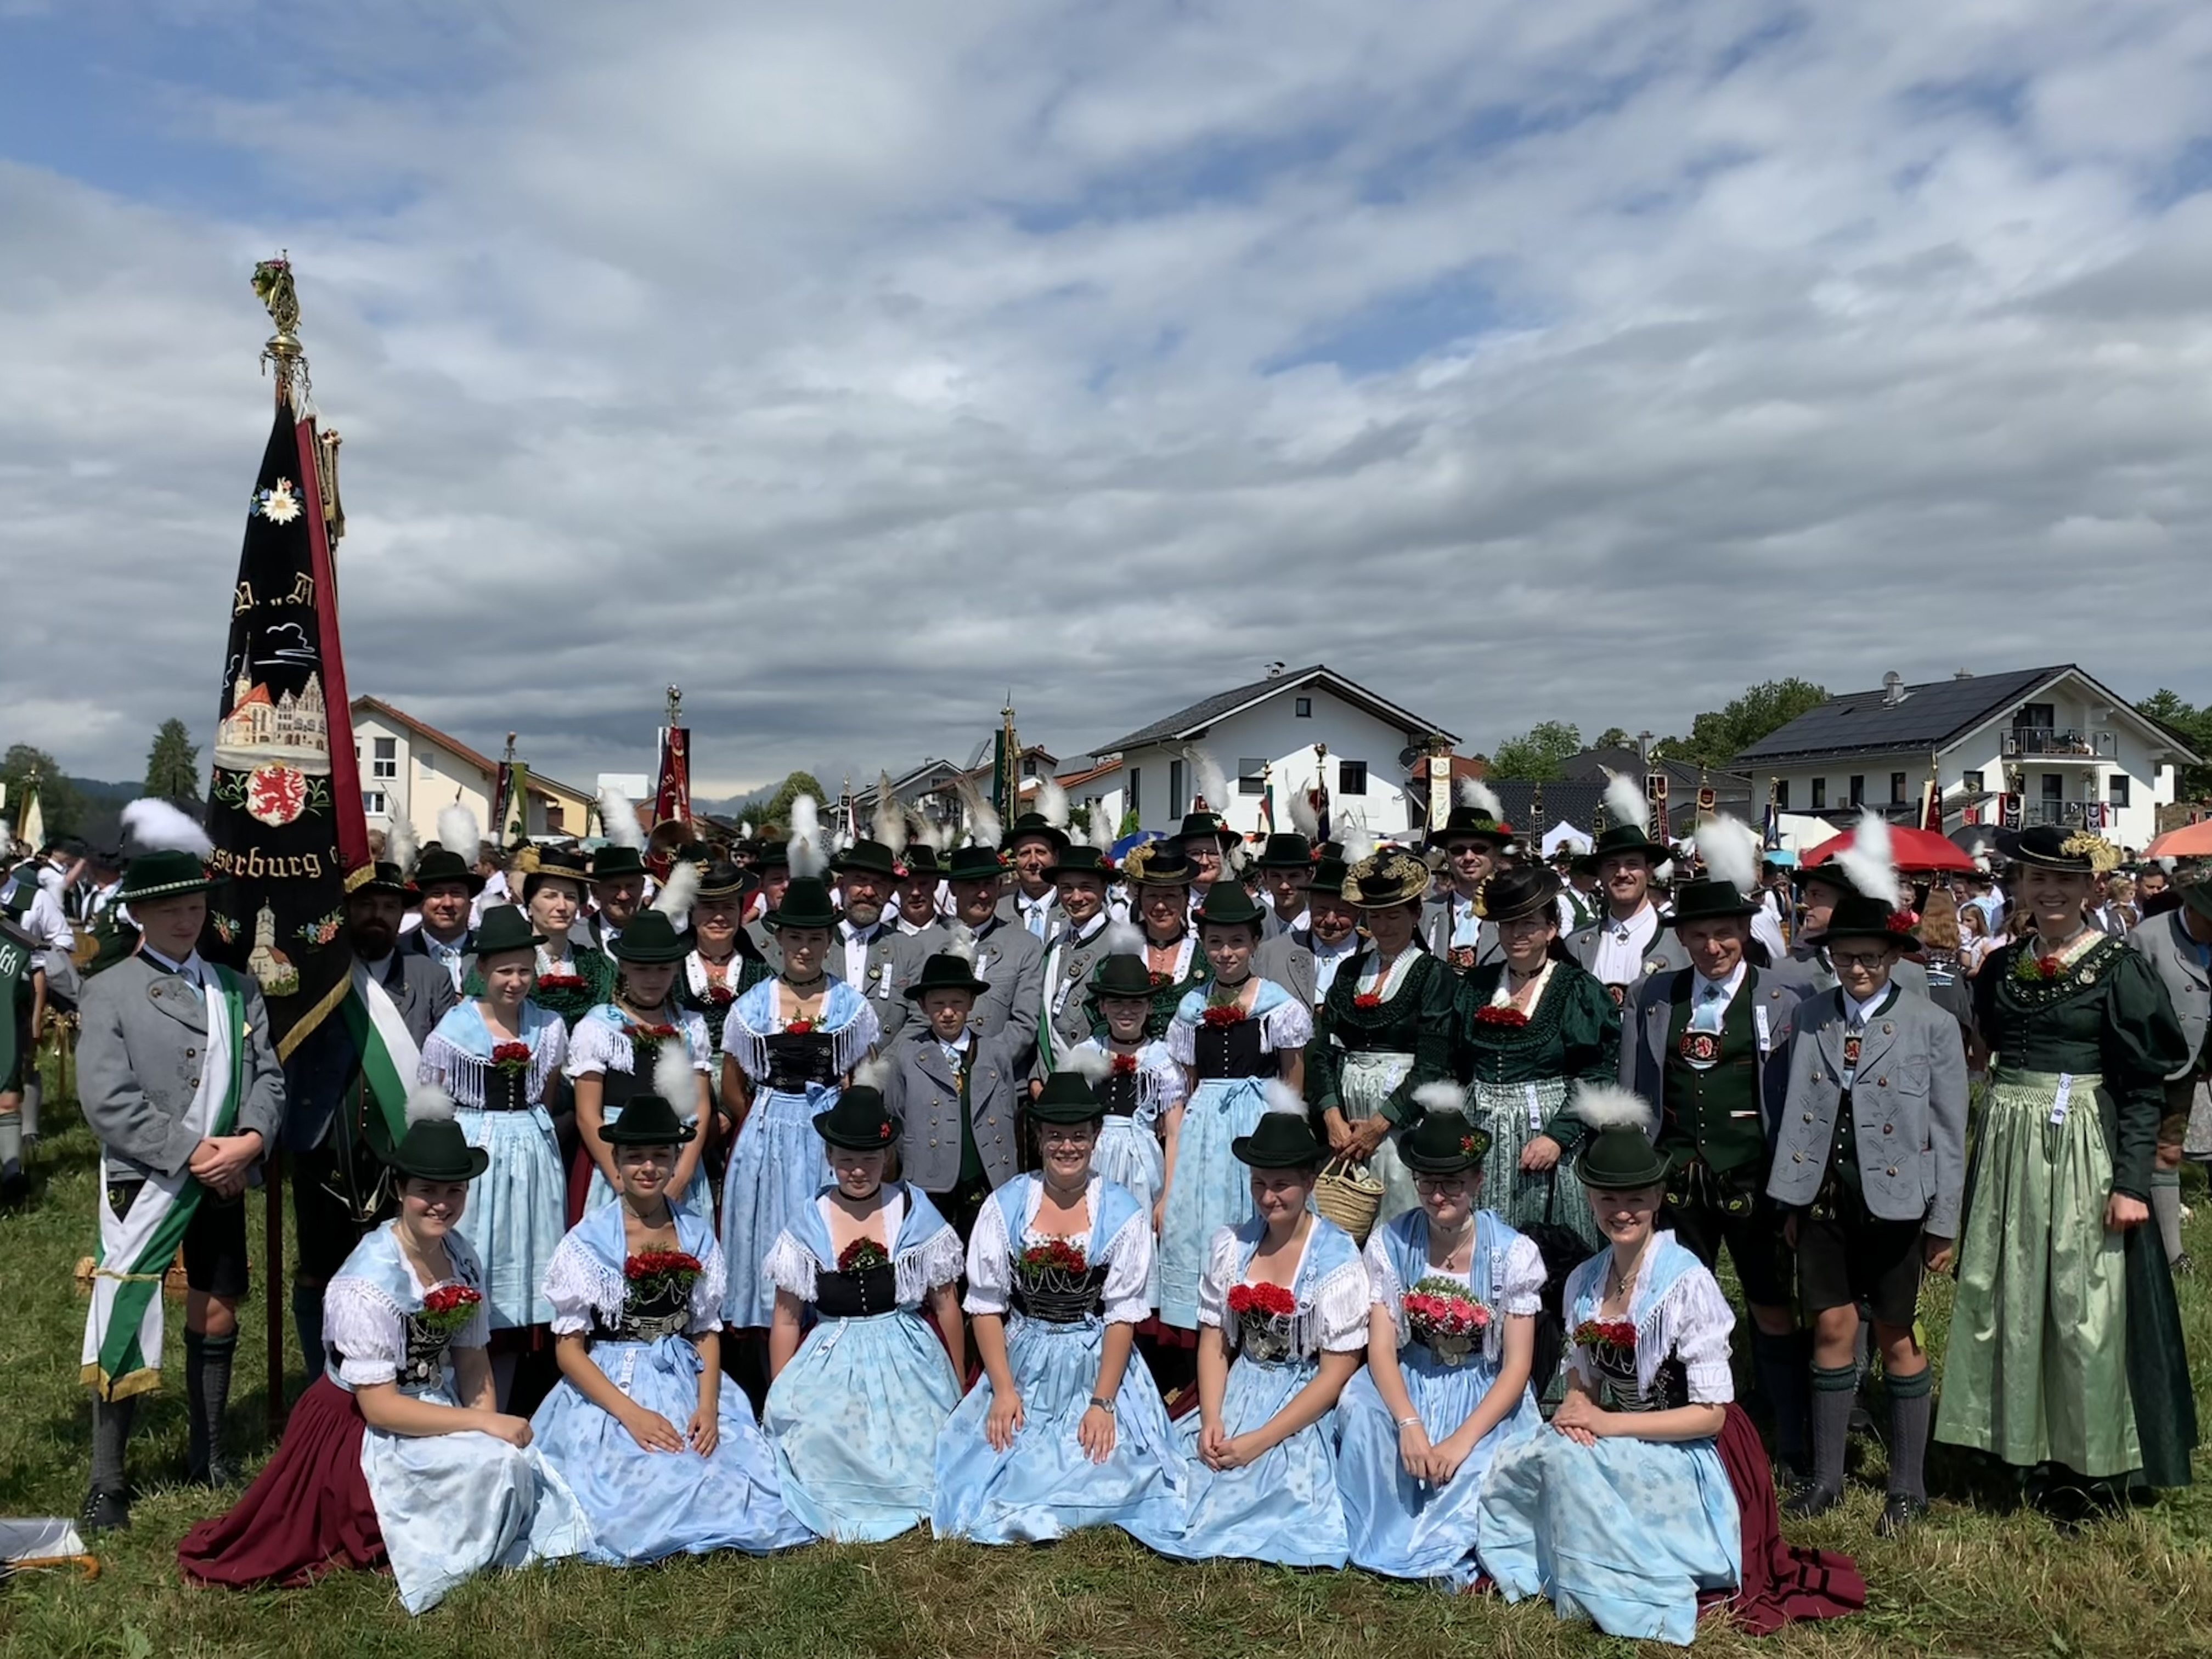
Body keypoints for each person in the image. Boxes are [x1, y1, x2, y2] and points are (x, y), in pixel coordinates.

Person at [178, 1094, 589, 1610]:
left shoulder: (461, 1255)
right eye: (426, 1191)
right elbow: (379, 1406)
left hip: (429, 1406)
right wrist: (481, 1425)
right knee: (495, 1464)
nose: (441, 1204)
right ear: (399, 1190)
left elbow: (471, 1358)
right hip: (361, 1426)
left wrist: (485, 1431)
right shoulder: (367, 1282)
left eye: (454, 1190)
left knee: (511, 1460)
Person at [1935, 825, 2197, 1516]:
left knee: (2084, 1305)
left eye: (2064, 880)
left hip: (2083, 1144)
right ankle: (2014, 1445)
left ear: (2090, 888)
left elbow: (2143, 1086)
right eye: (2036, 879)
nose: (2049, 891)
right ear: (2019, 887)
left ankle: (2090, 1465)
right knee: (2009, 1294)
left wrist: (2133, 1184)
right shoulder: (2000, 967)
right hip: (2008, 1145)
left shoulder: (2118, 966)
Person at [1475, 1086, 1746, 1645]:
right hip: (1621, 1432)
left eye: (1636, 1199)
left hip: (1688, 1450)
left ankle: (1611, 1581)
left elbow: (1711, 1416)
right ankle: (1547, 1566)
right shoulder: (1586, 1279)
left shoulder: (1687, 1283)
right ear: (1591, 1198)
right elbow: (1584, 1380)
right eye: (1607, 1199)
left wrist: (1606, 1423)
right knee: (1530, 1452)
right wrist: (1577, 1407)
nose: (1622, 1211)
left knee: (1571, 1463)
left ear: (1658, 1197)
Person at [77, 828, 285, 1528]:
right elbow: (109, 1100)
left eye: (194, 906)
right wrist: (196, 1153)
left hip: (226, 1173)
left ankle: (210, 1451)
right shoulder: (109, 991)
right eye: (169, 909)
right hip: (149, 1179)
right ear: (139, 913)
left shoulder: (236, 989)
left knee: (218, 1305)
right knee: (126, 1313)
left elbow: (268, 1079)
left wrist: (249, 1142)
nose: (185, 919)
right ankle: (108, 1480)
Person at [531, 1092, 810, 1563]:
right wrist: (630, 1414)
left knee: (727, 1472)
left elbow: (704, 1330)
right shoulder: (588, 1241)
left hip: (683, 1374)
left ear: (676, 1159)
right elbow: (569, 1350)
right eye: (635, 1156)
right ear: (616, 1161)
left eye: (660, 1155)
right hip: (615, 1384)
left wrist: (708, 1406)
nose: (648, 1167)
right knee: (644, 1480)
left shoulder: (695, 1233)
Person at [1767, 890, 1969, 1533]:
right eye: (1846, 957)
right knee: (1831, 1327)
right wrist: (1790, 1200)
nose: (1858, 969)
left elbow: (1950, 1131)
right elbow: (1796, 1114)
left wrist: (1944, 1222)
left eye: (1871, 958)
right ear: (1830, 957)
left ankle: (1907, 1486)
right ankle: (1828, 1477)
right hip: (1824, 1197)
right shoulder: (1811, 1017)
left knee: (1895, 1333)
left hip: (1898, 1202)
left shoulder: (1931, 1023)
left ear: (1893, 957)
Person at [931, 1073, 1183, 1544]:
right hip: (1023, 1358)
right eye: (1056, 1136)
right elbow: (986, 1307)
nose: (1068, 1147)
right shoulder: (1006, 1205)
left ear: (1095, 1137)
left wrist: (1103, 1403)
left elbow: (1121, 1316)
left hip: (1095, 1360)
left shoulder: (1121, 1211)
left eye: (1078, 1136)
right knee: (999, 1460)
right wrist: (1003, 1390)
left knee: (1111, 1465)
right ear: (1039, 1137)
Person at [1621, 872, 1814, 1476]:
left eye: (1724, 933)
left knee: (1770, 1303)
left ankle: (1790, 1437)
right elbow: (1634, 1087)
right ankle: (1681, 1425)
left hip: (1755, 1175)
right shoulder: (1654, 996)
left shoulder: (1786, 996)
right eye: (1699, 935)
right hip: (1678, 1177)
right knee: (1677, 1303)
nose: (1712, 947)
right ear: (1681, 939)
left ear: (1744, 932)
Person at [1124, 1096, 1367, 1567]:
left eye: (1281, 1185)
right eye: (1259, 1183)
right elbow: (1214, 1341)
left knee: (1265, 1487)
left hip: (1300, 1402)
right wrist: (1212, 1417)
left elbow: (1336, 1373)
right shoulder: (1232, 1245)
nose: (1268, 1197)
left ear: (1309, 1182)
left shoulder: (1335, 1258)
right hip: (1239, 1389)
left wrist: (1261, 1439)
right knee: (1181, 1471)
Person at [1336, 1107, 1544, 1585]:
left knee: (1485, 1460)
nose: (1437, 1195)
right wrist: (1409, 1423)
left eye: (1452, 1183)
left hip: (1482, 1385)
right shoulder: (1391, 1242)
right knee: (1360, 1408)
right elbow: (1381, 1348)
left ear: (1477, 1181)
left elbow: (1517, 1366)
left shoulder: (1512, 1253)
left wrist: (1461, 1440)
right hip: (1412, 1376)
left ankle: (1444, 1538)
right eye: (1427, 1182)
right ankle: (1379, 1525)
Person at [761, 1086, 966, 1541]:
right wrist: (780, 1393)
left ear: (886, 1156)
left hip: (906, 1356)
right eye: (847, 1159)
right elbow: (787, 1319)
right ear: (829, 1156)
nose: (858, 1170)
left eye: (870, 1158)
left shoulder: (911, 1209)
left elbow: (946, 1304)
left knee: (924, 1439)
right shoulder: (810, 1220)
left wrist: (956, 1381)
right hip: (832, 1355)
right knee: (818, 1435)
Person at [279, 857, 456, 1378]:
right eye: (366, 904)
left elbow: (446, 1060)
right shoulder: (319, 973)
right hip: (324, 1144)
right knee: (318, 1271)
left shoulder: (430, 977)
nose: (378, 915)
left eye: (389, 906)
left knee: (401, 1267)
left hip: (400, 1149)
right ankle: (323, 1382)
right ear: (345, 909)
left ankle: (393, 1373)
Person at [1413, 865, 1621, 1257]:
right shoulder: (1476, 986)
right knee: (1482, 1244)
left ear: (1551, 929)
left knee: (1549, 1250)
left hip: (1548, 1132)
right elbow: (1455, 1065)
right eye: (1508, 924)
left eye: (1529, 924)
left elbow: (1597, 1071)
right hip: (1482, 1131)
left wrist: (1557, 1138)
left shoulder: (1576, 989)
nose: (1517, 934)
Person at [417, 904, 570, 1409]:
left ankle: (518, 1395)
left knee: (531, 1254)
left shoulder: (548, 1026)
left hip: (532, 1152)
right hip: (479, 1147)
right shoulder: (455, 1030)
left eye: (524, 970)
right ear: (481, 970)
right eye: (505, 971)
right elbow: (433, 1102)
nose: (515, 981)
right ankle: (463, 1389)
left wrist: (530, 1136)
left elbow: (548, 1094)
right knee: (481, 1249)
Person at [718, 871, 882, 1335]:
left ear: (829, 941)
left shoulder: (850, 1006)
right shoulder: (753, 1007)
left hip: (826, 1133)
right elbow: (732, 1084)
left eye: (814, 938)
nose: (805, 948)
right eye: (795, 937)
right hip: (768, 1135)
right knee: (768, 1234)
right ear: (779, 938)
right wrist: (765, 1120)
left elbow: (865, 1081)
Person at [1158, 883, 1312, 1334]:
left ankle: (1264, 1308)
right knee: (1204, 1219)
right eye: (1216, 942)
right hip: (1206, 1129)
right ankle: (1210, 1319)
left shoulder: (1276, 1005)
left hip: (1259, 1120)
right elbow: (1185, 1088)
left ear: (1255, 943)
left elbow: (1293, 1081)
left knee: (1260, 1207)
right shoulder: (1192, 1007)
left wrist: (1287, 1140)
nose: (1226, 953)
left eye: (1237, 941)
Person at [1307, 846, 1448, 1225]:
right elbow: (1324, 1049)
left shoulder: (1434, 975)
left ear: (1416, 914)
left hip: (1401, 1121)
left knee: (1399, 1217)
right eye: (1375, 915)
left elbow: (1434, 1063)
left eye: (1393, 915)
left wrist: (1380, 1124)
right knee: (1343, 1220)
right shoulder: (1350, 971)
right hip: (1346, 1122)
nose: (1383, 926)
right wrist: (1332, 1117)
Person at [565, 909, 715, 1225]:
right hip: (618, 1161)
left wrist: (683, 1175)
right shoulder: (599, 1027)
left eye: (663, 968)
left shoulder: (690, 1026)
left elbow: (701, 1106)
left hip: (676, 1160)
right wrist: (620, 1179)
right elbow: (588, 1115)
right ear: (623, 966)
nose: (653, 979)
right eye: (642, 969)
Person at [1063, 953, 1183, 1302]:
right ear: (1102, 1006)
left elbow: (1175, 1131)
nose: (1126, 1011)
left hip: (1143, 1167)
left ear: (1149, 1006)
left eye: (1136, 1003)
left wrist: (1168, 1196)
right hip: (1094, 1161)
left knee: (1137, 1236)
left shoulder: (1162, 1059)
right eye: (1116, 1002)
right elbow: (1068, 1121)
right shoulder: (1085, 1054)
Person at [883, 946, 1024, 1239]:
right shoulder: (908, 1055)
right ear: (923, 1006)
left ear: (972, 1002)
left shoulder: (995, 1052)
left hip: (984, 1176)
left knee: (985, 1246)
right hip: (929, 1179)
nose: (948, 1013)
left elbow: (1008, 1107)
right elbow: (897, 1114)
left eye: (957, 1003)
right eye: (938, 1004)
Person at [2126, 872, 2211, 1272]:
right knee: (2130, 1148)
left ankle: (2173, 1253)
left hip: (2193, 1066)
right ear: (2191, 908)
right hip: (2149, 1064)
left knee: (2169, 1150)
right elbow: (2126, 1004)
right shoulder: (2148, 938)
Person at [900, 843, 1045, 1072]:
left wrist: (980, 1064)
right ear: (953, 889)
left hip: (997, 1075)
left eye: (989, 884)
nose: (983, 894)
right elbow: (913, 1019)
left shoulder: (1025, 946)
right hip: (931, 1074)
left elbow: (1024, 1024)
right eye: (972, 885)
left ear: (999, 886)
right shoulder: (922, 945)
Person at [1565, 817, 1690, 1007]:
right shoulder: (1576, 945)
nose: (1622, 873)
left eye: (1632, 864)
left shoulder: (1680, 940)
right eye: (1612, 865)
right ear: (1600, 874)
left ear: (1649, 871)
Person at [673, 859, 772, 1087]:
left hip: (746, 1089)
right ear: (692, 913)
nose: (719, 917)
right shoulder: (671, 969)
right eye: (709, 907)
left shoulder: (760, 971)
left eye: (728, 907)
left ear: (740, 913)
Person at [1037, 844, 1120, 1064]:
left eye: (1086, 887)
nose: (1076, 897)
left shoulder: (1121, 943)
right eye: (1066, 888)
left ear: (1104, 887)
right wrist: (1039, 1073)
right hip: (1053, 1068)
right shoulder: (1054, 946)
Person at [516, 847, 615, 1030]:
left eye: (570, 897)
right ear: (529, 905)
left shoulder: (599, 967)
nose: (562, 906)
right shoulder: (509, 963)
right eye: (550, 896)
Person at [1121, 842, 1211, 1036]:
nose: (1160, 906)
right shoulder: (1121, 955)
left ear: (1185, 899)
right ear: (1140, 899)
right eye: (1152, 896)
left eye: (1170, 896)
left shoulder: (1204, 958)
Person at [828, 837, 912, 1044]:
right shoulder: (817, 944)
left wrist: (885, 1061)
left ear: (890, 893)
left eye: (879, 884)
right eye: (860, 881)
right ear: (842, 885)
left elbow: (919, 1020)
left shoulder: (908, 950)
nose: (868, 892)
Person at [1254, 848, 1356, 1015]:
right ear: (1311, 904)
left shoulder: (1374, 955)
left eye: (1342, 912)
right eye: (1322, 909)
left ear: (1359, 911)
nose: (1330, 920)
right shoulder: (1270, 953)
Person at [1420, 802, 1513, 970]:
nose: (1469, 857)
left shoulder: (1513, 908)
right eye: (1458, 850)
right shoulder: (1427, 912)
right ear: (1447, 855)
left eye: (1479, 849)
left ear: (1495, 853)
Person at [400, 838, 482, 994]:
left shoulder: (487, 949)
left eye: (456, 893)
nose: (447, 903)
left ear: (469, 903)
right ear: (420, 903)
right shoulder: (400, 953)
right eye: (437, 894)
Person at [997, 810, 1069, 940]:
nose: (1033, 862)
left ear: (1056, 856)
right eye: (1025, 854)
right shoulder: (998, 912)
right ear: (1014, 860)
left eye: (1041, 852)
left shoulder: (1074, 907)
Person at [578, 843, 648, 953]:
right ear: (595, 891)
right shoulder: (574, 937)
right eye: (614, 887)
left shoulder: (662, 936)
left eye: (630, 886)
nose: (623, 897)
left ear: (643, 886)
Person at [1253, 831, 1316, 940]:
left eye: (1293, 876)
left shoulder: (1319, 927)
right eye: (1276, 876)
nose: (1284, 886)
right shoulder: (1256, 928)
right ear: (1265, 877)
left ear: (1309, 877)